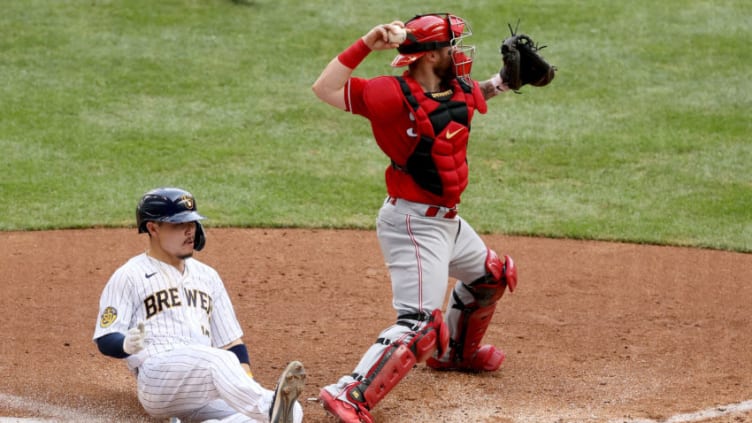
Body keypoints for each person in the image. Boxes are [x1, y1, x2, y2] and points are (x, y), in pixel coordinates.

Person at [312, 14, 521, 422]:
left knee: (490, 276)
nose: (458, 54)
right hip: (413, 224)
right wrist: (365, 44)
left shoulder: (452, 88)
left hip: (448, 222)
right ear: (429, 56)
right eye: (451, 47)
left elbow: (467, 98)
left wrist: (503, 82)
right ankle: (349, 392)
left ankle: (455, 355)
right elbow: (325, 88)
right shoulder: (389, 96)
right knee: (420, 323)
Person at [92, 187, 306, 423]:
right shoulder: (130, 275)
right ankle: (269, 409)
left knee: (294, 412)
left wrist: (244, 384)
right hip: (158, 378)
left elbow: (232, 342)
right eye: (178, 225)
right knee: (222, 362)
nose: (189, 231)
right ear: (153, 228)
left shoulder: (208, 277)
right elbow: (105, 337)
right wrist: (125, 344)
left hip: (202, 385)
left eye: (192, 223)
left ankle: (265, 412)